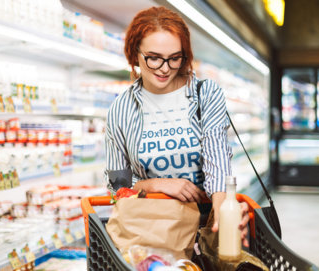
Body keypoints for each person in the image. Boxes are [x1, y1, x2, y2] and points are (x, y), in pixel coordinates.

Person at [105, 6, 250, 247]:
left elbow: (217, 162)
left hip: (205, 226)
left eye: (174, 58)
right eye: (153, 58)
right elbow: (117, 187)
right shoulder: (120, 109)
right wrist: (156, 184)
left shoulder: (206, 94)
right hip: (149, 232)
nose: (164, 68)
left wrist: (223, 218)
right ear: (135, 54)